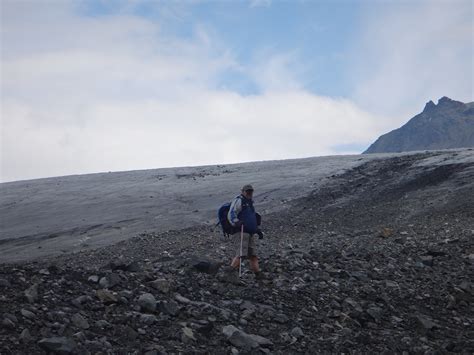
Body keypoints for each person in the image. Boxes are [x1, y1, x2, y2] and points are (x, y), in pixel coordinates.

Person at [227, 184, 265, 279]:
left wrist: (257, 230)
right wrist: (236, 222)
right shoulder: (239, 200)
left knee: (253, 255)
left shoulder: (249, 203)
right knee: (241, 254)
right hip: (241, 231)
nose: (249, 193)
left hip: (250, 232)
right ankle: (229, 273)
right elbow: (231, 213)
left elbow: (251, 219)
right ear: (242, 191)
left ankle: (258, 275)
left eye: (250, 191)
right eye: (247, 191)